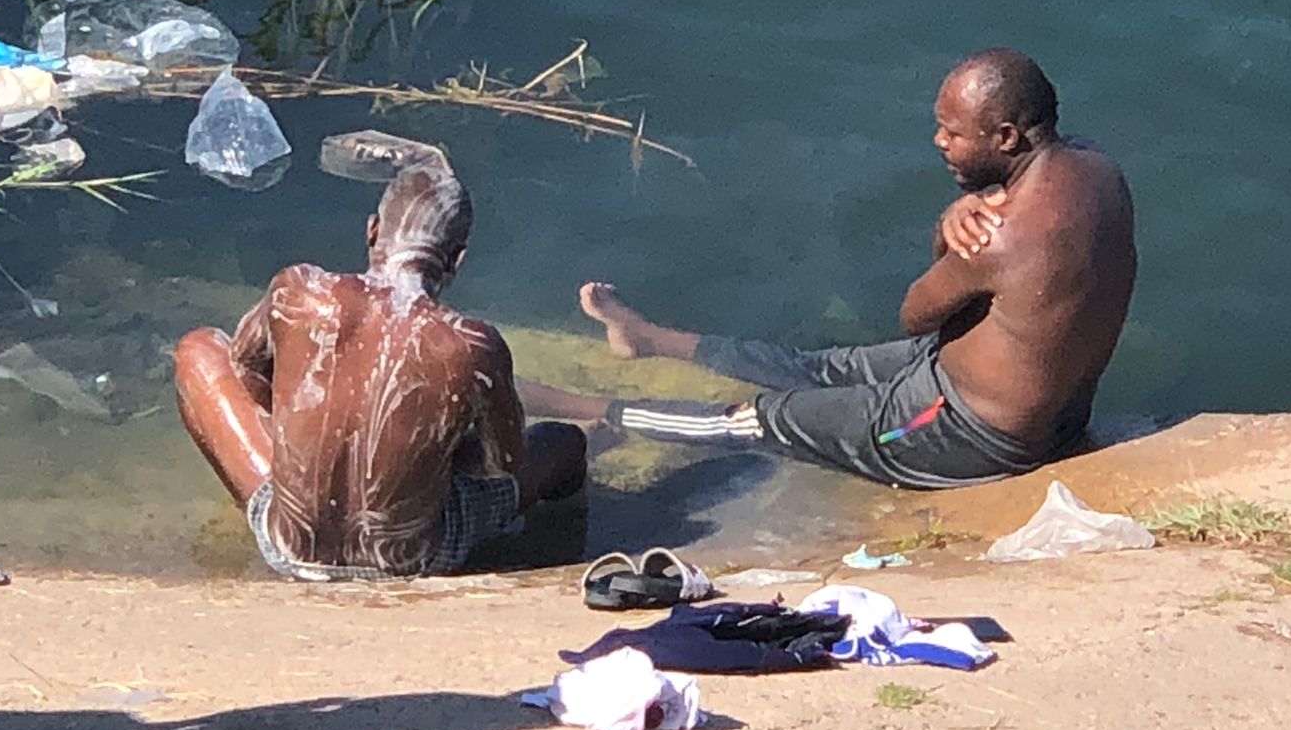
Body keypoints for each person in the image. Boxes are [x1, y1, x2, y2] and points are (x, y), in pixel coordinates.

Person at [519, 49, 1137, 489]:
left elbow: (915, 313)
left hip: (960, 432)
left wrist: (948, 228)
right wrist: (965, 208)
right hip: (998, 393)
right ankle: (647, 339)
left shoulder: (997, 238)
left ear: (1005, 137)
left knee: (766, 418)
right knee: (820, 368)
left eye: (952, 133)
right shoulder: (1097, 170)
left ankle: (596, 412)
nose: (939, 143)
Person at [173, 145, 586, 580]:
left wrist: (306, 439)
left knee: (198, 349)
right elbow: (501, 463)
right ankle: (553, 561)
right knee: (566, 444)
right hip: (412, 558)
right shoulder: (472, 345)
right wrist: (430, 454)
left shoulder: (300, 289)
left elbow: (245, 369)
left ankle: (299, 508)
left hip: (289, 545)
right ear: (457, 260)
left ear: (372, 231)